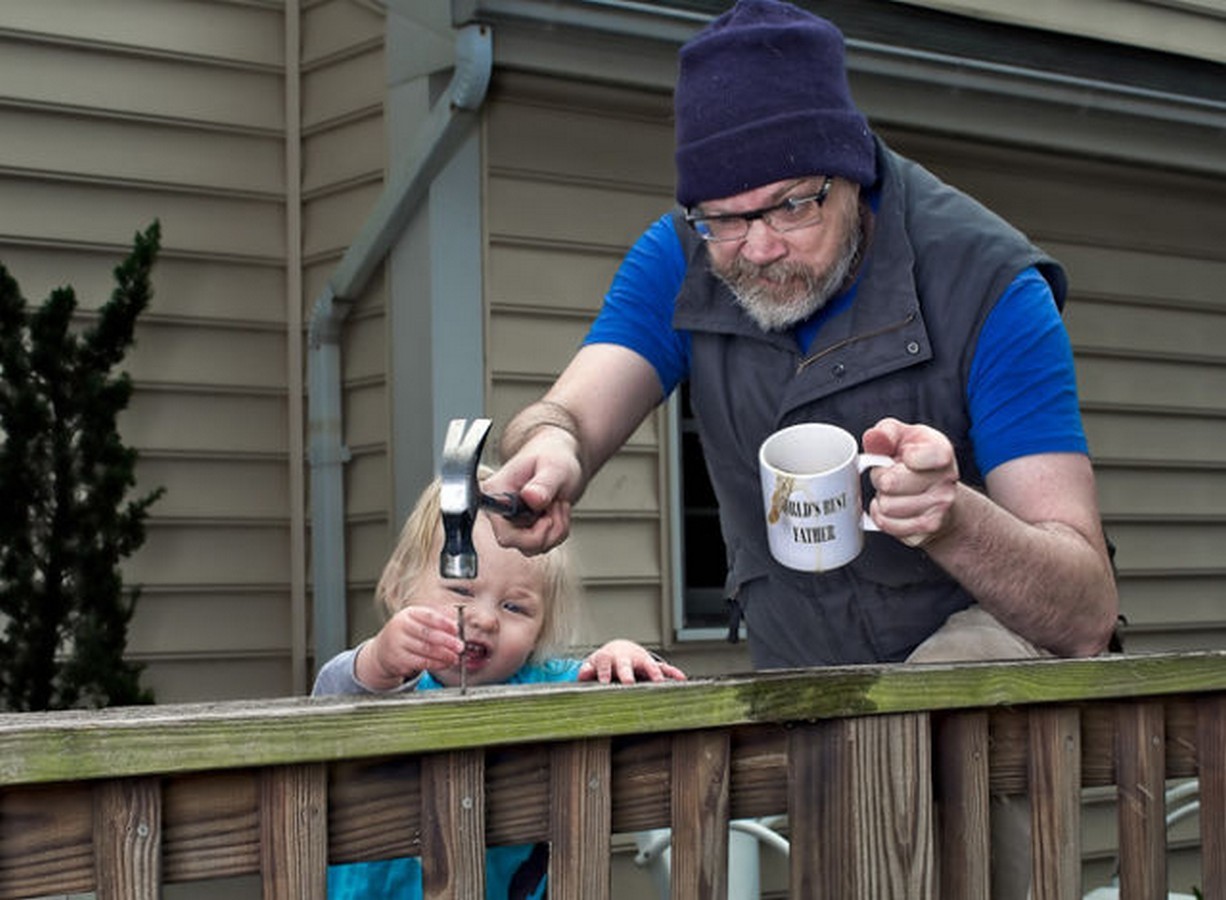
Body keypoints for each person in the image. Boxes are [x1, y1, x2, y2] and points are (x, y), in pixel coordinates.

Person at [482, 2, 1119, 895]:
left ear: (849, 170)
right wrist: (549, 454)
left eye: (788, 208)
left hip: (984, 709)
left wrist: (951, 516)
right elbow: (569, 416)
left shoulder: (989, 285)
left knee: (933, 745)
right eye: (722, 220)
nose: (756, 248)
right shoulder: (687, 256)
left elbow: (1086, 608)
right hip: (812, 694)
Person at [312, 471, 685, 899]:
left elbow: (621, 697)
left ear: (542, 627)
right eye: (460, 588)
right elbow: (333, 698)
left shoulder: (543, 687)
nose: (486, 619)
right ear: (399, 589)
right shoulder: (391, 682)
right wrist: (379, 658)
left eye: (514, 607)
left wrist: (623, 659)